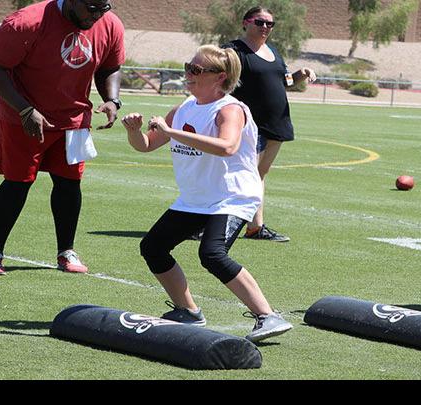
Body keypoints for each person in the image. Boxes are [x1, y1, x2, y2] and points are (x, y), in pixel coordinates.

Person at [120, 45, 293, 343]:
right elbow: (146, 144)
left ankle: (268, 315)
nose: (188, 74)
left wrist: (172, 132)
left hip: (232, 196)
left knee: (212, 254)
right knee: (153, 247)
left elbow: (227, 146)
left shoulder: (230, 109)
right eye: (189, 66)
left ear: (219, 77)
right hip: (196, 198)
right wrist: (133, 130)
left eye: (196, 70)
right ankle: (187, 310)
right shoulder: (184, 108)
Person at [0, 0, 124, 276]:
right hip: (25, 116)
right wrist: (25, 109)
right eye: (92, 9)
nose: (98, 16)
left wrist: (112, 99)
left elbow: (109, 67)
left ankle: (66, 251)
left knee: (69, 184)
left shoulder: (109, 23)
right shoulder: (26, 22)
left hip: (74, 119)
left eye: (104, 8)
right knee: (18, 182)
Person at [222, 7, 316, 242]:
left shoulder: (273, 51)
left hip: (277, 122)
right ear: (246, 23)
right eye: (260, 22)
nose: (265, 27)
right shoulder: (234, 50)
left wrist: (300, 74)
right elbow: (219, 81)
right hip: (250, 124)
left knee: (259, 175)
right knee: (242, 176)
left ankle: (255, 227)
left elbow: (285, 82)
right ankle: (209, 224)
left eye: (270, 24)